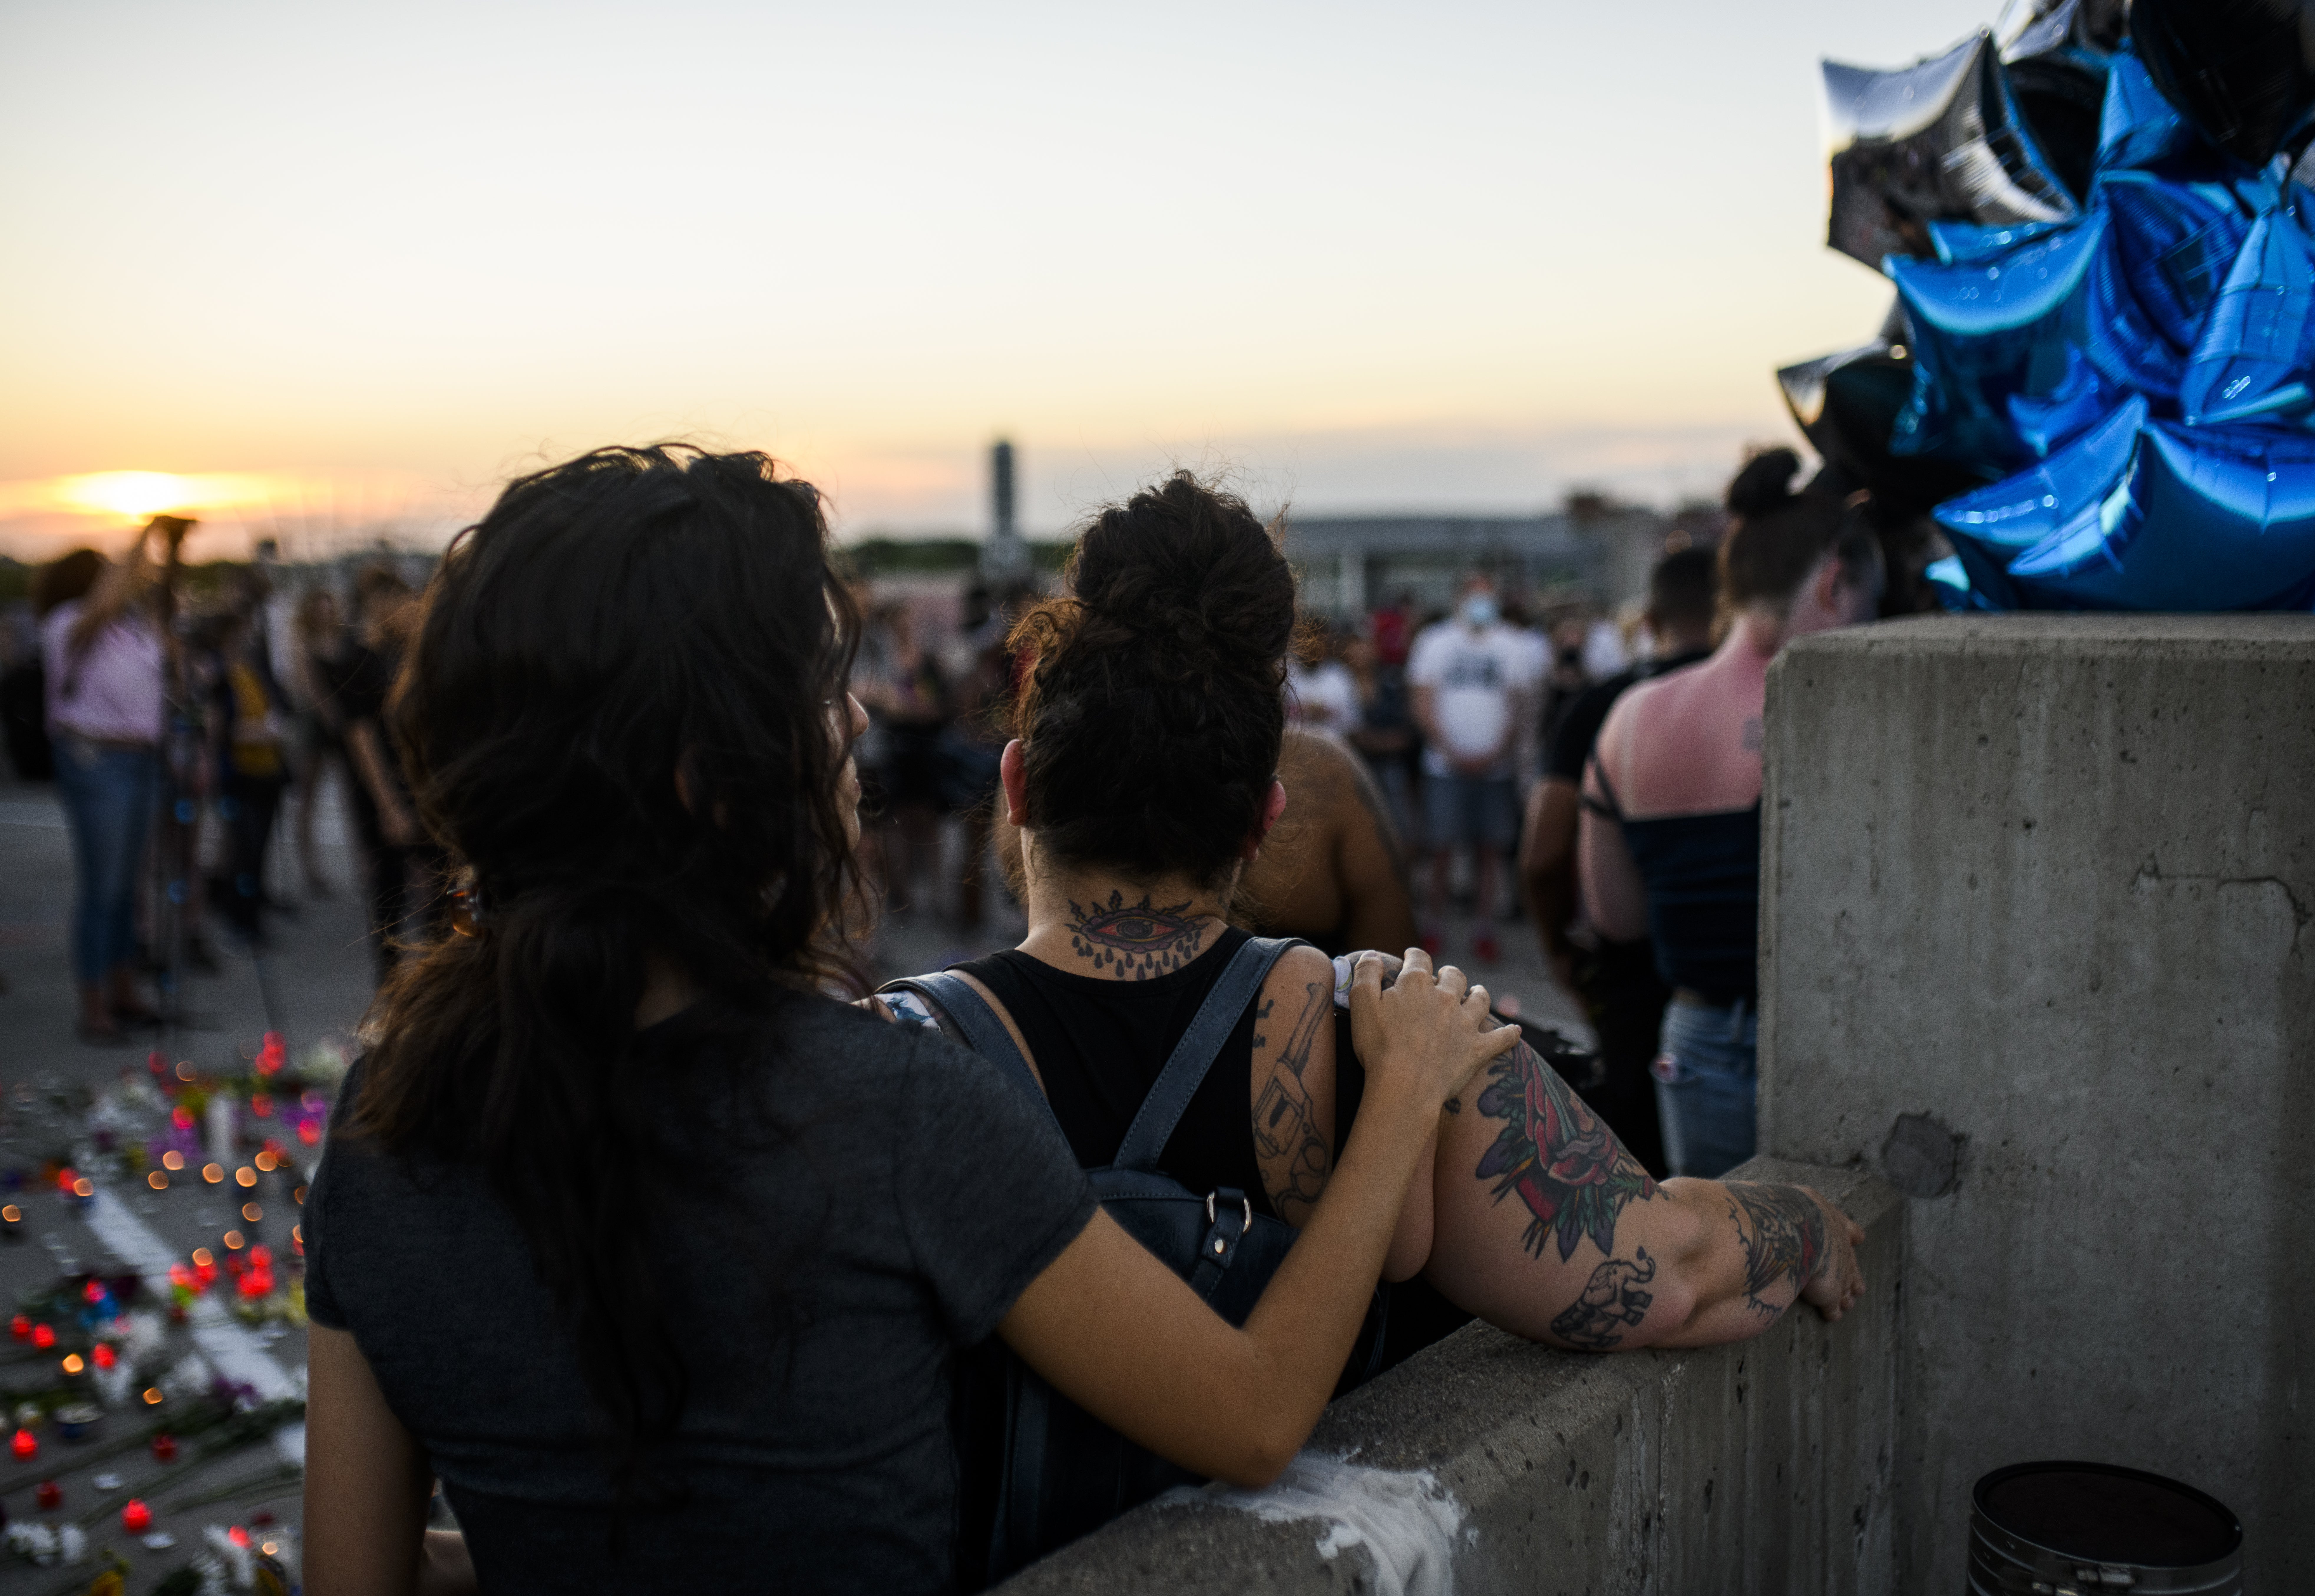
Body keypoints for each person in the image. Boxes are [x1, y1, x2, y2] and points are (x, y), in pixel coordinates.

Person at [300, 445, 1515, 1596]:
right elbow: (1250, 1413)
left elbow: (358, 1571)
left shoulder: (385, 1118)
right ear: (709, 781)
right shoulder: (887, 1109)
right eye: (821, 690)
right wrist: (1402, 1095)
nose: (858, 723)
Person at [893, 472, 1866, 1404]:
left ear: (1017, 785)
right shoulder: (1381, 1036)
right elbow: (1666, 1268)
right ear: (1259, 820)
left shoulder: (893, 1057)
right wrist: (1804, 1221)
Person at [1578, 451, 1883, 1177]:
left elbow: (1613, 917)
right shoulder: (1852, 714)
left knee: (1726, 1270)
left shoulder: (1630, 717)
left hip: (1696, 1040)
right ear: (1835, 584)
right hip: (1832, 1036)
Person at [1517, 547, 1718, 1177]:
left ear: (1650, 617)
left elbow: (1544, 852)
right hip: (1737, 981)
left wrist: (1557, 947)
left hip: (1631, 974)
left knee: (1640, 1170)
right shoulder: (1762, 694)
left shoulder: (1604, 703)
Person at [37, 526, 175, 1044]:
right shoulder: (66, 623)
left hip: (141, 760)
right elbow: (104, 601)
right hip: (96, 760)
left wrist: (167, 561)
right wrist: (146, 535)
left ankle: (124, 990)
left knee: (127, 890)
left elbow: (164, 659)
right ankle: (94, 1006)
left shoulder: (127, 629)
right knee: (104, 888)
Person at [1407, 574, 1539, 962]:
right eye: (1474, 596)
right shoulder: (1436, 641)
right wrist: (1449, 748)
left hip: (1493, 770)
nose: (1481, 603)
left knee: (1489, 852)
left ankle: (1484, 929)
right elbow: (1422, 699)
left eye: (1487, 596)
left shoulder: (1508, 644)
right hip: (1444, 768)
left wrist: (1497, 749)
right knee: (1441, 850)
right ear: (1459, 600)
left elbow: (1518, 704)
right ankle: (1433, 925)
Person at [333, 564, 442, 978]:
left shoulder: (406, 654)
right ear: (378, 604)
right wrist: (388, 804)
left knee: (435, 883)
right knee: (389, 889)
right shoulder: (357, 659)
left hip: (419, 786)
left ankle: (431, 976)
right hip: (382, 789)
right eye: (402, 600)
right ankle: (391, 985)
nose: (411, 609)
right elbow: (361, 737)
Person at [206, 606, 291, 947]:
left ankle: (251, 912)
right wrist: (251, 731)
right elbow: (216, 727)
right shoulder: (217, 673)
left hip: (267, 769)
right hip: (238, 772)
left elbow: (279, 703)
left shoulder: (253, 667)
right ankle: (240, 919)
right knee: (244, 848)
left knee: (258, 849)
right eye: (240, 632)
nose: (247, 638)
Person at [287, 585, 350, 897]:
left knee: (353, 794)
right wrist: (334, 719)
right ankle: (310, 869)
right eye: (319, 607)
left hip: (340, 723)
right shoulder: (304, 644)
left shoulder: (340, 640)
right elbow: (311, 690)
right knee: (308, 800)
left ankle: (369, 866)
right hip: (316, 727)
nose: (325, 613)